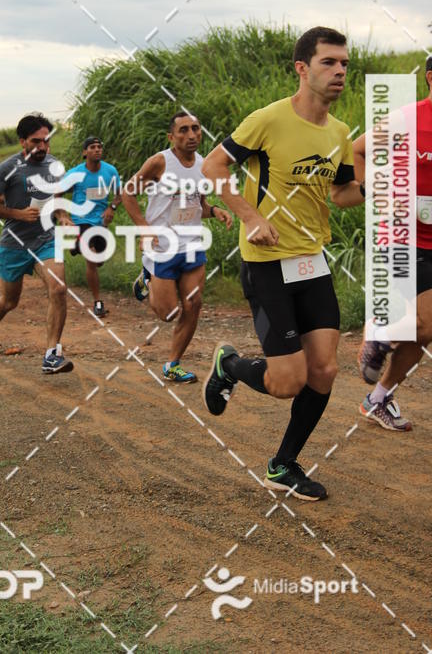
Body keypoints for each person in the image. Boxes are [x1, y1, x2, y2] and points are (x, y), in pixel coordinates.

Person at [202, 27, 365, 501]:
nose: (339, 72)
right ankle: (230, 365)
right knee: (288, 382)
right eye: (329, 62)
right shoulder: (269, 120)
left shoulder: (338, 133)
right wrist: (250, 215)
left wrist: (379, 185)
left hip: (312, 264)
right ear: (302, 68)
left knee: (325, 372)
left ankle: (282, 464)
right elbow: (214, 167)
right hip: (266, 263)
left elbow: (339, 196)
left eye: (345, 64)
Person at [122, 112, 232, 383]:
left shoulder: (205, 165)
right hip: (163, 245)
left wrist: (215, 210)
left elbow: (198, 205)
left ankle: (173, 364)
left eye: (196, 128)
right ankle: (145, 279)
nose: (192, 135)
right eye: (184, 130)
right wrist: (143, 227)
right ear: (171, 136)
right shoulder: (160, 162)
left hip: (192, 243)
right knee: (168, 314)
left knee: (193, 304)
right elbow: (128, 193)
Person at [353, 56, 432, 430]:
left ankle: (377, 399)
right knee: (426, 322)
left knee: (426, 331)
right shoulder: (408, 117)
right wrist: (377, 195)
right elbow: (359, 148)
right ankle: (380, 333)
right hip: (400, 237)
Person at [0, 113, 74, 373]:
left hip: (45, 239)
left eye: (46, 141)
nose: (42, 147)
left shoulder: (55, 166)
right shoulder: (9, 168)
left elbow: (57, 203)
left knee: (58, 289)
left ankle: (51, 355)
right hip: (14, 243)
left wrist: (64, 218)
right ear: (22, 142)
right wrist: (17, 214)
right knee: (9, 302)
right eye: (36, 141)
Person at [64, 136, 122, 317]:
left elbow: (120, 194)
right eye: (92, 147)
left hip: (100, 222)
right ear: (84, 152)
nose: (97, 149)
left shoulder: (110, 171)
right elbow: (57, 193)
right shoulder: (75, 174)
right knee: (91, 259)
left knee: (99, 260)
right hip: (81, 220)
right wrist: (64, 216)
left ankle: (77, 245)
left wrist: (111, 207)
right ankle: (98, 302)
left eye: (99, 147)